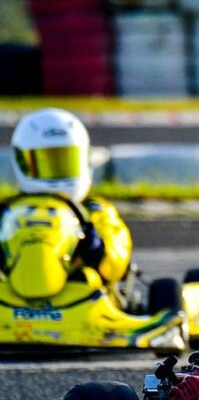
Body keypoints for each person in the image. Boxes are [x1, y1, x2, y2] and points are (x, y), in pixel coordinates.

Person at [1, 108, 131, 285]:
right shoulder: (8, 211)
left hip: (83, 291)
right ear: (21, 162)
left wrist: (97, 249)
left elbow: (117, 260)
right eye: (47, 162)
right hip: (11, 291)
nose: (56, 171)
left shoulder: (95, 212)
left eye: (65, 161)